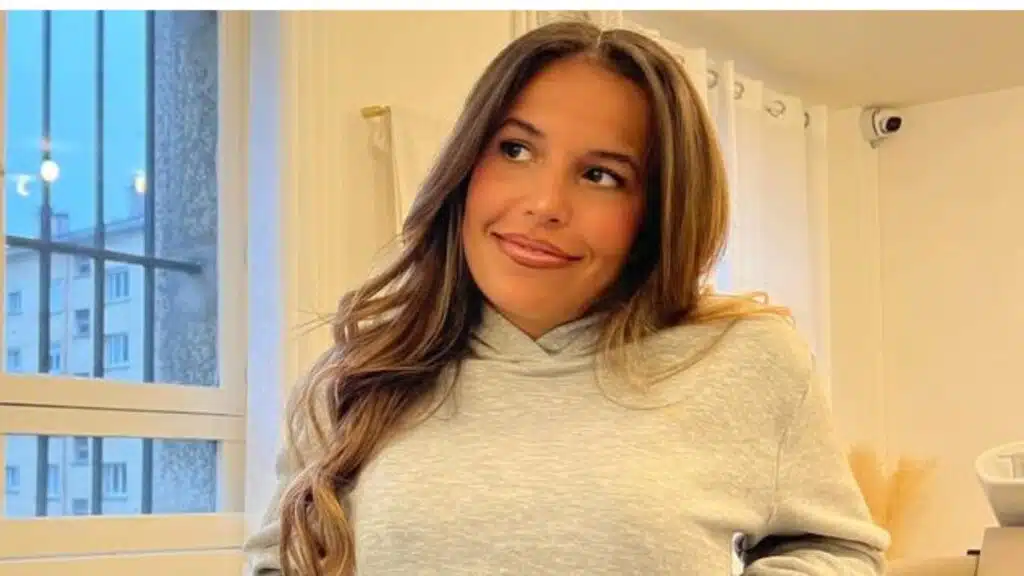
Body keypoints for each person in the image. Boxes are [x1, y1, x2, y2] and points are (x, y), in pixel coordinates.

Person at [244, 19, 890, 576]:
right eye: (516, 149)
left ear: (657, 211)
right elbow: (281, 561)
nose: (545, 204)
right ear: (465, 167)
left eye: (601, 175)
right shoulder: (357, 377)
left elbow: (838, 549)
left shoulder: (748, 359)